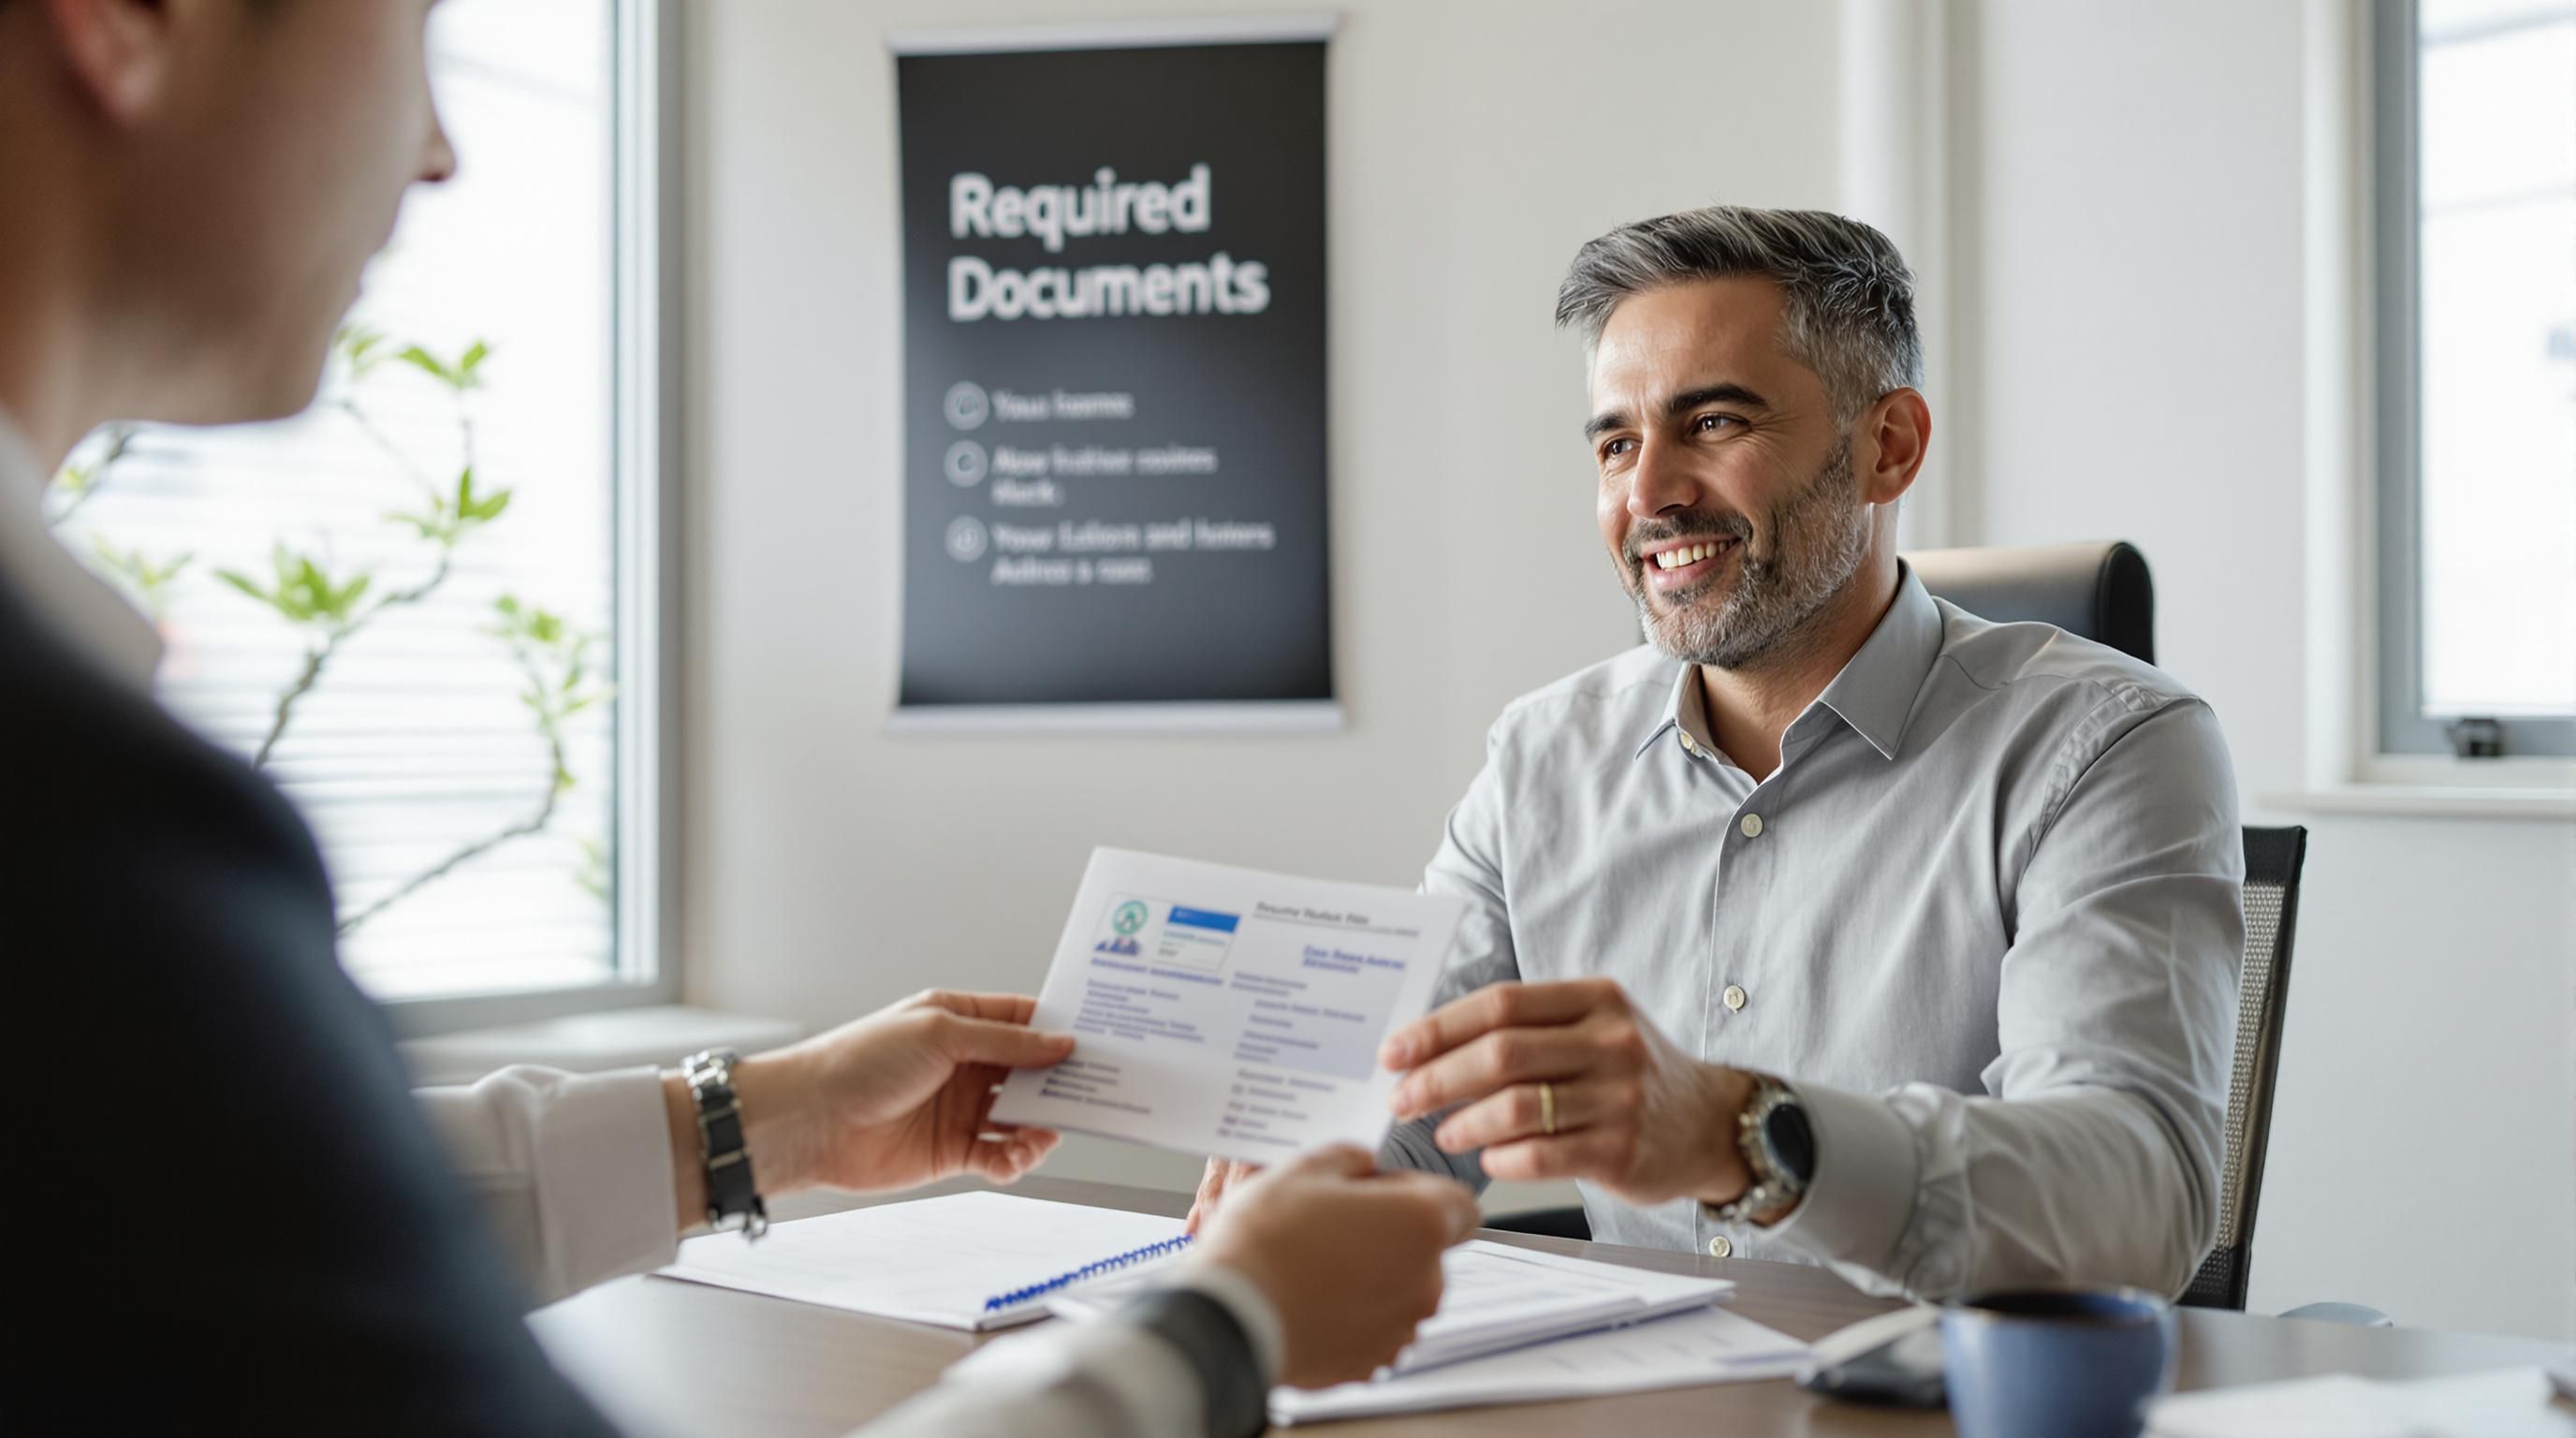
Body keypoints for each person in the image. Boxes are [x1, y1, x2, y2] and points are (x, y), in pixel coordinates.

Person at [2, 1, 1476, 1432]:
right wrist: (1224, 1329)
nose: (436, 147)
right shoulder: (81, 818)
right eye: (414, 30)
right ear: (127, 20)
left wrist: (758, 1122)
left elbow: (232, 1196)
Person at [1191, 205, 2244, 1302]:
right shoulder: (1543, 759)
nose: (1645, 495)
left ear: (1888, 447)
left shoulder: (2104, 747)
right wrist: (1314, 1152)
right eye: (1615, 443)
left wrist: (1744, 1137)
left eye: (1712, 424)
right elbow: (1414, 1106)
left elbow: (2137, 1205)